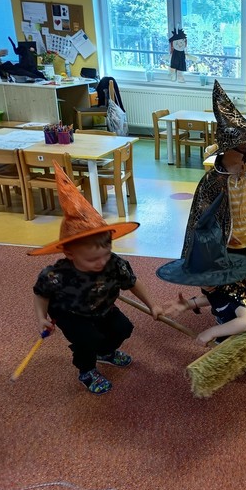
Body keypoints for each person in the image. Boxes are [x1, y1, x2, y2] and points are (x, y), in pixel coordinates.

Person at [29, 162, 162, 395]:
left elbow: (133, 283)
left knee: (123, 328)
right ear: (69, 253)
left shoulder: (114, 264)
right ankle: (87, 370)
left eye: (106, 254)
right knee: (87, 340)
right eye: (92, 260)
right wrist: (41, 318)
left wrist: (153, 305)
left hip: (103, 307)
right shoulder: (56, 275)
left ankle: (106, 352)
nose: (101, 263)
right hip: (71, 313)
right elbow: (41, 294)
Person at [159, 192, 246, 386]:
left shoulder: (235, 291)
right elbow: (216, 298)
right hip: (234, 316)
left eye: (209, 278)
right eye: (200, 279)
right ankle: (230, 338)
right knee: (227, 334)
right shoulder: (215, 286)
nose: (205, 283)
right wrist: (190, 304)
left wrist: (212, 331)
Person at [181, 81, 246, 272]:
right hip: (223, 247)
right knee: (225, 279)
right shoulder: (212, 182)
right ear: (228, 149)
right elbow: (201, 222)